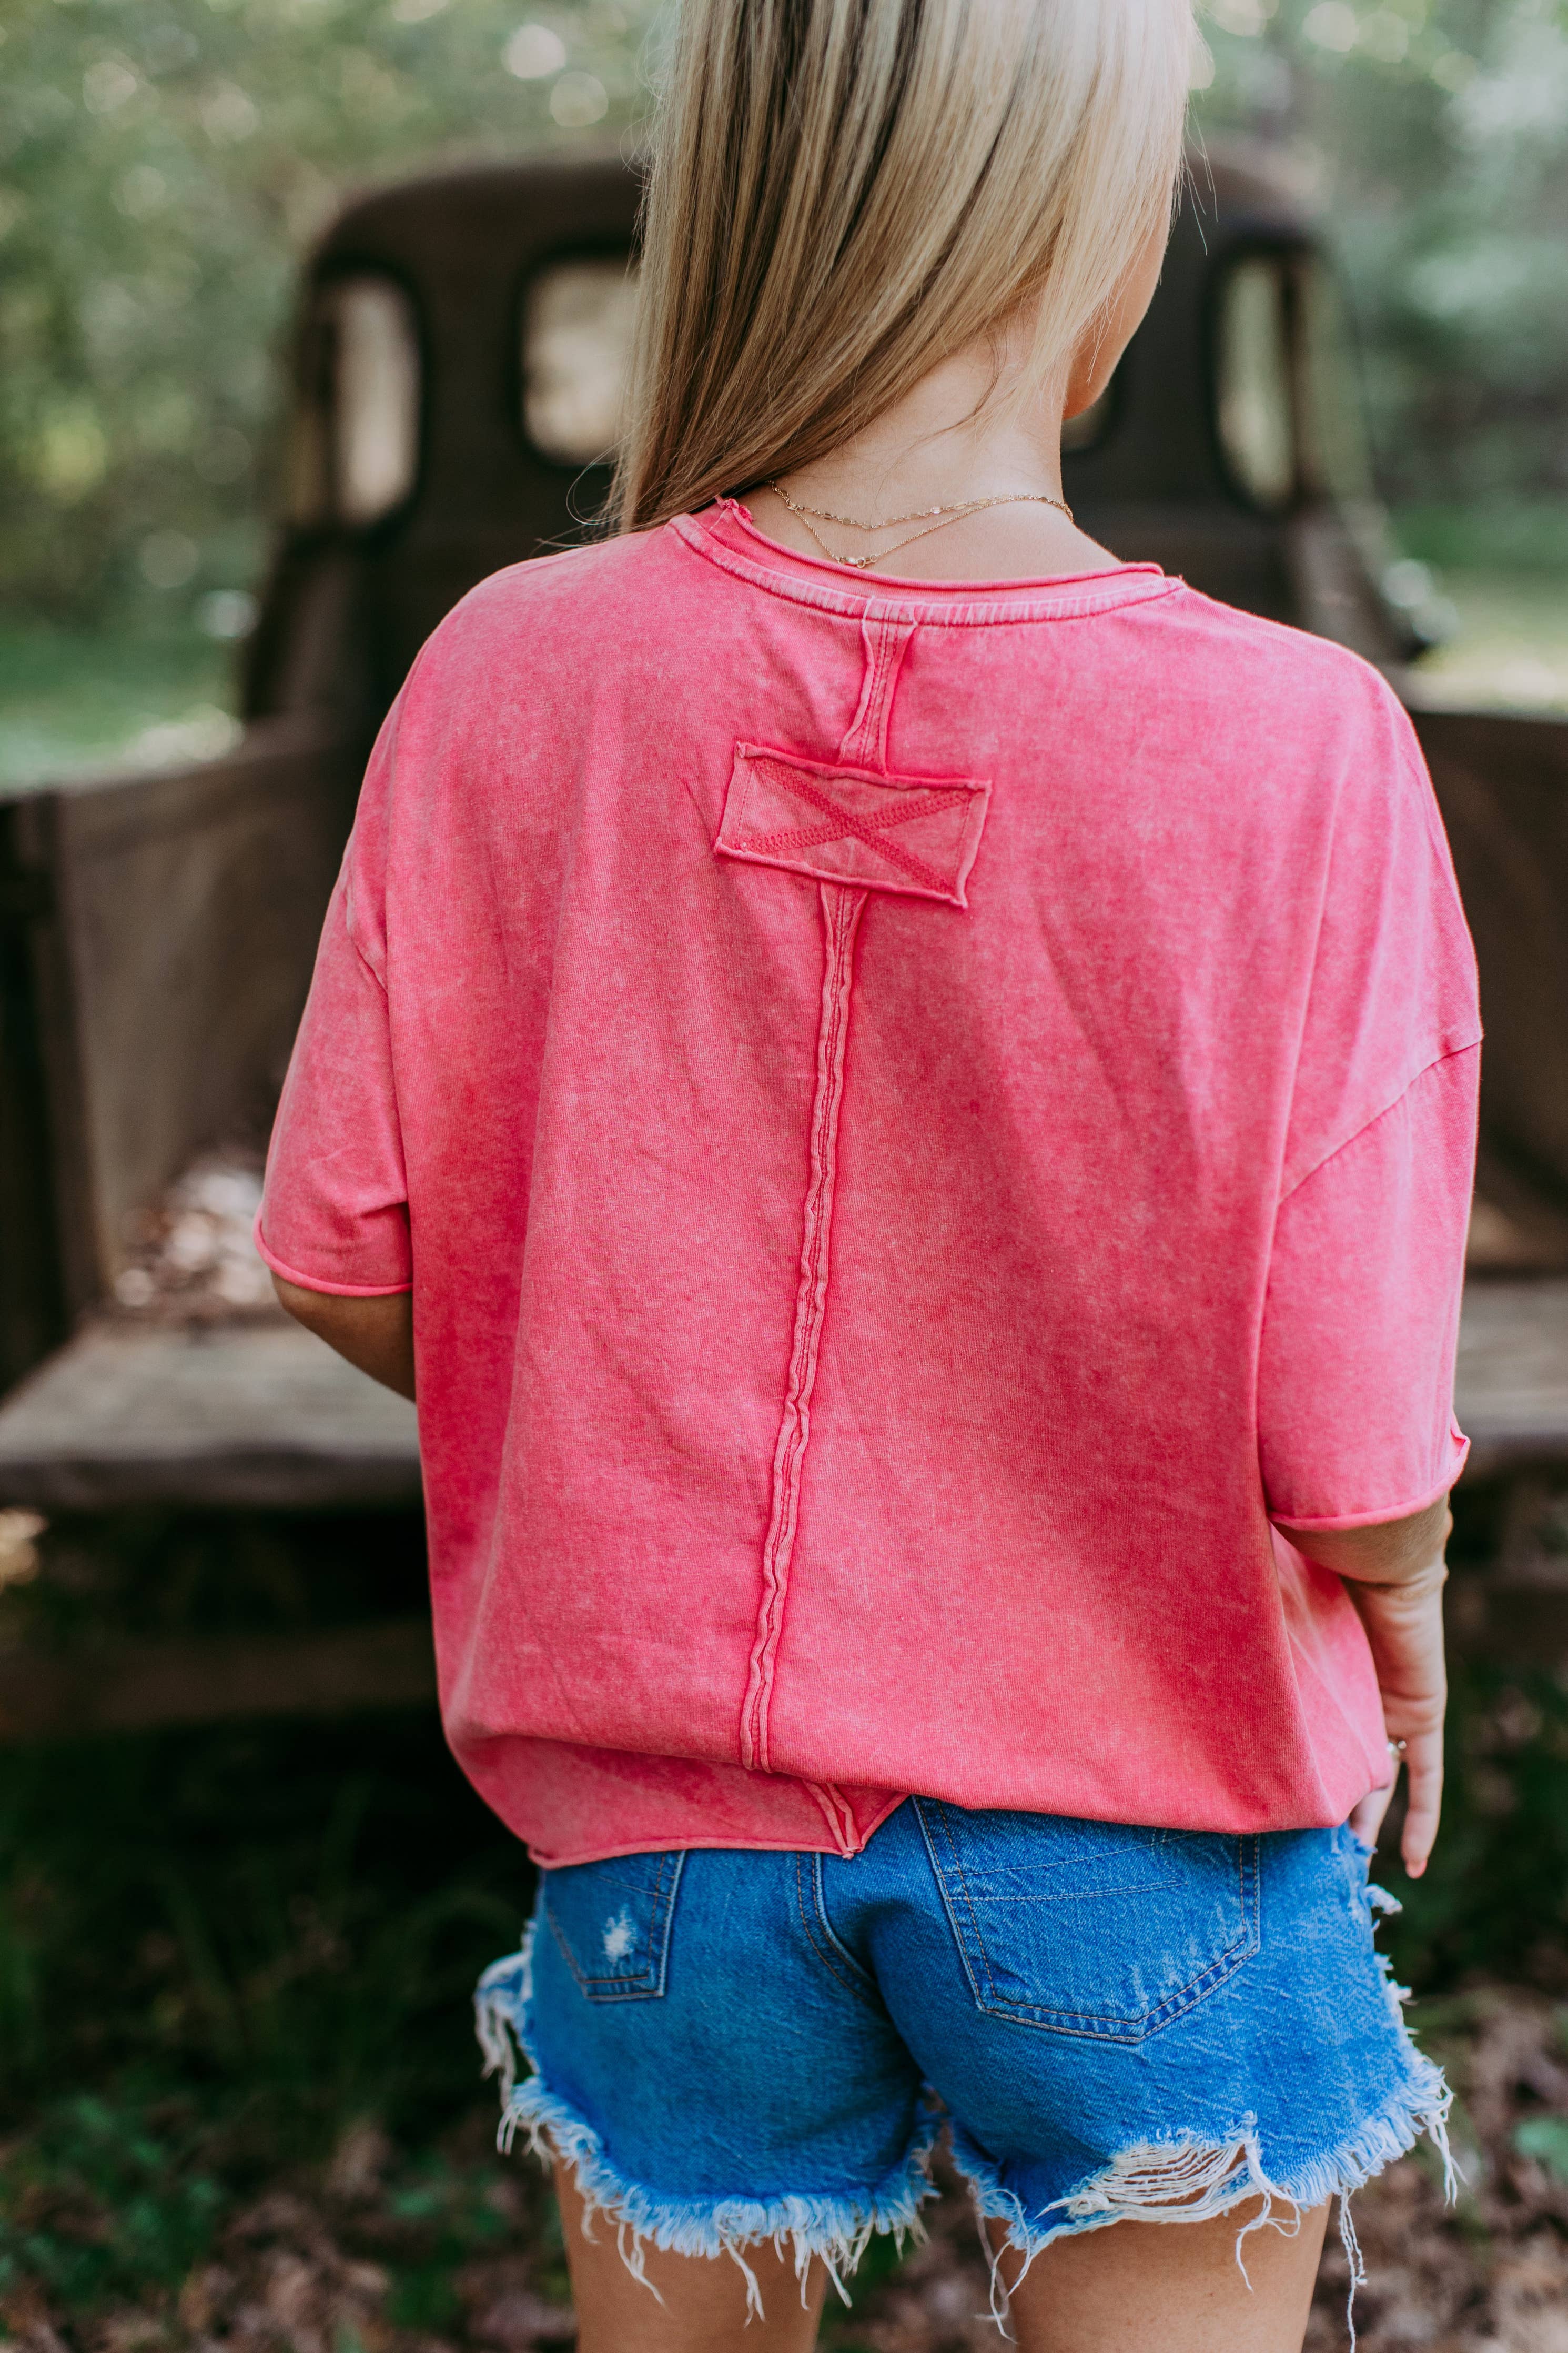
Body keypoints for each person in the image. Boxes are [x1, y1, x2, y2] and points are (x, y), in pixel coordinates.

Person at [258, 2, 1480, 2345]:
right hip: (1145, 1805)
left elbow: (345, 1259)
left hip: (664, 1846)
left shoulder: (506, 673)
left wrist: (620, 1419)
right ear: (1100, 223)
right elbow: (1343, 1419)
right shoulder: (1294, 739)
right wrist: (1402, 1595)